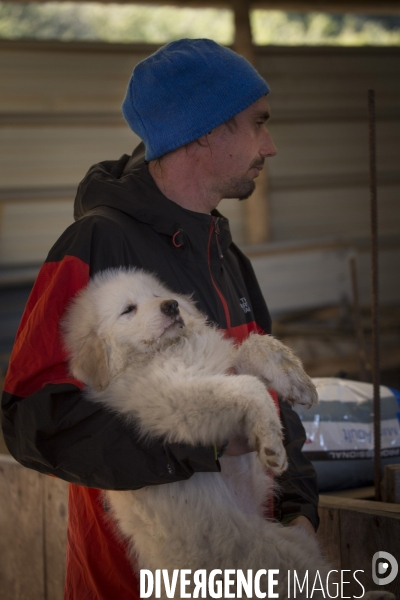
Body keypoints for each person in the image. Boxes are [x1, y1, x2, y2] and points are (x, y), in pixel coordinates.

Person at [1, 38, 319, 600]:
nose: (270, 146)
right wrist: (203, 443)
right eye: (257, 124)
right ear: (205, 130)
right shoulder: (96, 243)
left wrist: (298, 512)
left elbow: (274, 405)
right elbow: (33, 421)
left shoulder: (222, 250)